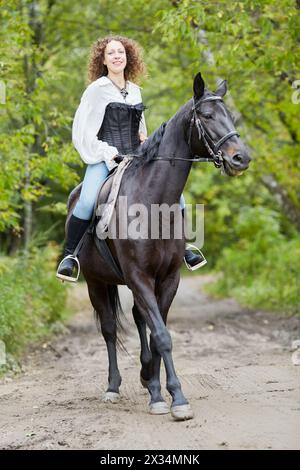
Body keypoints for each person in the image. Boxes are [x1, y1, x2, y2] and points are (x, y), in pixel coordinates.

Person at [56, 35, 206, 282]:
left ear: (128, 58)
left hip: (136, 155)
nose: (117, 56)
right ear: (103, 60)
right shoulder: (96, 90)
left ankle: (185, 248)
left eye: (121, 53)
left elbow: (140, 128)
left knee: (176, 195)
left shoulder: (135, 91)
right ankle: (70, 256)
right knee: (86, 201)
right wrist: (107, 153)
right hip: (105, 157)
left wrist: (145, 141)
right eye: (111, 53)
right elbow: (83, 132)